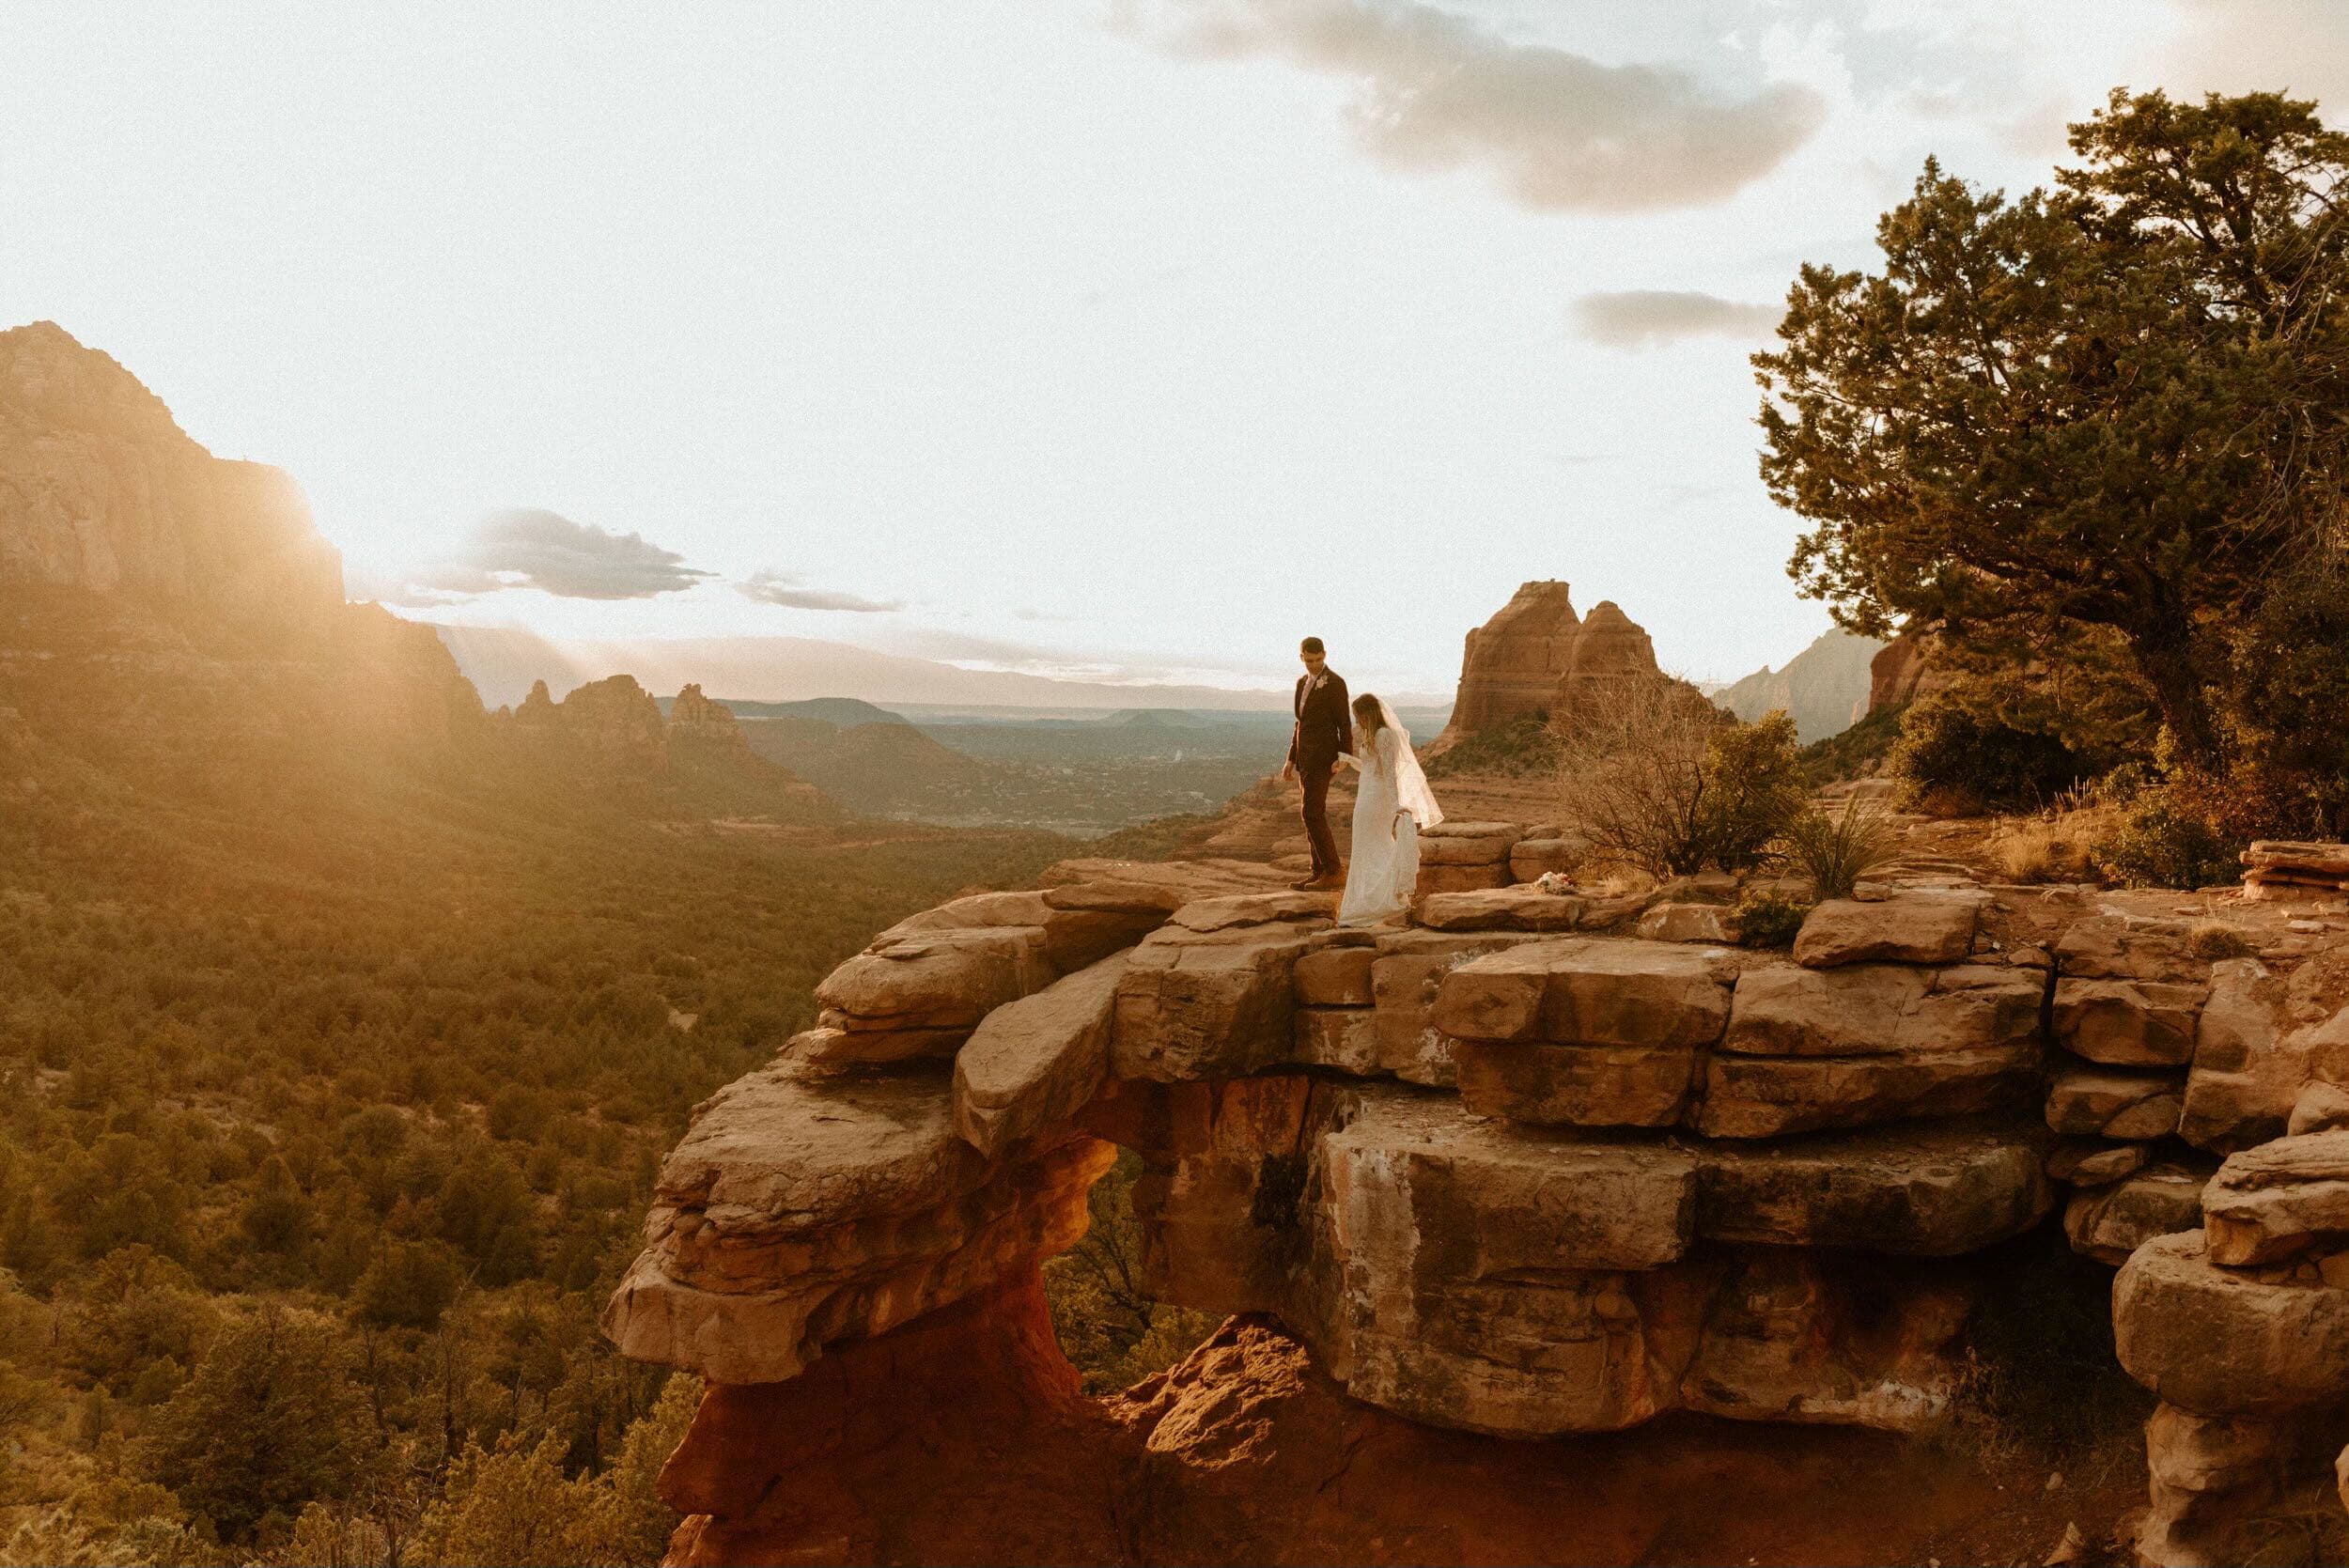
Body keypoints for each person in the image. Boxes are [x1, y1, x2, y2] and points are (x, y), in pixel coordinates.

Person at [1334, 691, 1445, 924]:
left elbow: (1389, 773)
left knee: (1377, 843)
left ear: (1368, 713)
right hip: (1365, 798)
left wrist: (1395, 804)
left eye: (1359, 716)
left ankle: (1382, 898)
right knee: (1366, 846)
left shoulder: (1384, 735)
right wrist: (1346, 759)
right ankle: (1368, 899)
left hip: (1377, 799)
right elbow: (1368, 767)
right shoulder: (1373, 734)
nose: (1357, 721)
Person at [1282, 636, 1350, 891]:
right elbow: (1299, 723)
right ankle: (1318, 871)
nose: (1313, 665)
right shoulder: (1301, 682)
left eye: (1318, 660)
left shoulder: (1335, 683)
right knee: (1308, 814)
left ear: (1325, 654)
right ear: (1301, 657)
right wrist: (1291, 758)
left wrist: (1344, 756)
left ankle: (1333, 871)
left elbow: (1344, 723)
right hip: (1304, 760)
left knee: (1312, 813)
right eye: (1308, 661)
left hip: (1324, 759)